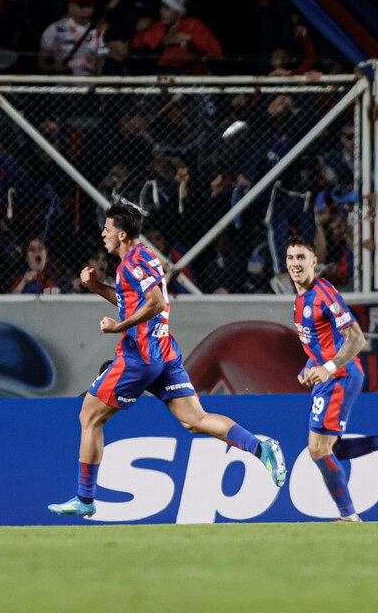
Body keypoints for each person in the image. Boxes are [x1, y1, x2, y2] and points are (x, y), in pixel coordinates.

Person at [48, 201, 287, 518]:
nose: (102, 234)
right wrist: (97, 287)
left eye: (106, 230)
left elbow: (156, 303)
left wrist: (118, 327)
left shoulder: (131, 264)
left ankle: (85, 498)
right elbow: (132, 301)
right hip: (164, 352)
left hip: (140, 356)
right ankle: (260, 447)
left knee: (89, 416)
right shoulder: (143, 258)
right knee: (194, 420)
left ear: (120, 234)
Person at [285, 236, 378, 522]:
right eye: (290, 258)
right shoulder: (301, 299)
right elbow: (322, 344)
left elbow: (356, 338)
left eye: (301, 257)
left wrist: (327, 367)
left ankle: (349, 517)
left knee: (318, 449)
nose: (295, 264)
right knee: (331, 449)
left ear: (314, 262)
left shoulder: (324, 294)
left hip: (341, 375)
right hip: (328, 376)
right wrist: (310, 367)